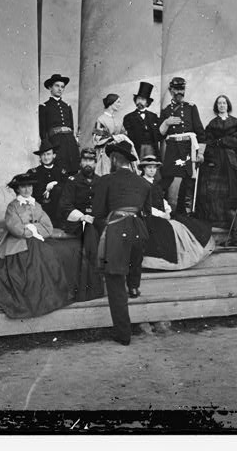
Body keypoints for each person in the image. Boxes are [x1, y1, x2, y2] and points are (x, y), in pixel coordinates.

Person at [0, 172, 73, 318]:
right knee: (23, 264)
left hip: (37, 239)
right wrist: (29, 230)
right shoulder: (13, 207)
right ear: (18, 189)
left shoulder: (37, 205)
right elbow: (14, 227)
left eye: (29, 186)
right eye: (23, 187)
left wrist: (33, 229)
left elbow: (47, 227)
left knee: (52, 255)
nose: (27, 190)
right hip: (17, 241)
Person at [92, 141, 152, 345]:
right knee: (133, 263)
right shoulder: (144, 183)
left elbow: (99, 213)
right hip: (139, 230)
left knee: (115, 281)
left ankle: (123, 334)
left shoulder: (105, 181)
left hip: (117, 230)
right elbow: (148, 213)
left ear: (116, 160)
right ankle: (134, 286)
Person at [139, 156, 214, 270]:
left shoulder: (156, 183)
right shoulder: (141, 183)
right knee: (166, 231)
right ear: (143, 169)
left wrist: (168, 210)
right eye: (149, 168)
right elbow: (144, 204)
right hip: (150, 215)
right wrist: (161, 215)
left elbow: (162, 199)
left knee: (188, 224)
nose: (152, 170)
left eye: (154, 168)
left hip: (163, 213)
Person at [197, 95, 237, 247]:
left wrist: (222, 141)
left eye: (224, 103)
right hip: (216, 161)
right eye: (219, 103)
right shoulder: (212, 124)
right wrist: (216, 145)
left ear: (228, 105)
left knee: (233, 193)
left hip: (234, 160)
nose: (222, 105)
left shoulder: (235, 122)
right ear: (217, 106)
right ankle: (220, 224)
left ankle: (236, 233)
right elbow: (208, 142)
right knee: (216, 192)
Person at [59, 147, 105, 301]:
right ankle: (91, 288)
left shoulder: (101, 181)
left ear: (95, 163)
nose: (88, 164)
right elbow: (65, 206)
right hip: (78, 222)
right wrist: (82, 217)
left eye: (91, 161)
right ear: (80, 162)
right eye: (85, 160)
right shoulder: (73, 181)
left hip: (97, 221)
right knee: (90, 235)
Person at [159, 77, 206, 216]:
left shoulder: (191, 108)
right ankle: (162, 208)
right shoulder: (166, 111)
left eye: (182, 89)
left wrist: (200, 153)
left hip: (188, 147)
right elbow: (160, 135)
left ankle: (183, 213)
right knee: (167, 178)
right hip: (173, 148)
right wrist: (167, 123)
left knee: (188, 179)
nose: (180, 92)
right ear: (170, 90)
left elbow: (200, 132)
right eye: (177, 89)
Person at [38, 73, 80, 174]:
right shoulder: (44, 106)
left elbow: (71, 128)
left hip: (70, 142)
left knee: (73, 168)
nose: (60, 89)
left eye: (62, 87)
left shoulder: (67, 106)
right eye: (57, 86)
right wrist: (48, 148)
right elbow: (43, 131)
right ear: (50, 88)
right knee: (59, 170)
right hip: (56, 143)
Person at [92, 94, 136, 176]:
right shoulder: (101, 119)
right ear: (111, 103)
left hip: (118, 152)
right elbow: (97, 138)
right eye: (118, 102)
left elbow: (124, 134)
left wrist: (121, 137)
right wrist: (113, 138)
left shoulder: (118, 120)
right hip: (106, 152)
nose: (120, 105)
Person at [27, 138, 68, 225]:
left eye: (49, 154)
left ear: (54, 155)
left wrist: (54, 184)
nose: (46, 157)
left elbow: (67, 188)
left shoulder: (61, 172)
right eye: (43, 155)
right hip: (40, 210)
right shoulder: (33, 173)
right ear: (40, 157)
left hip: (57, 212)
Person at [122, 81, 161, 159]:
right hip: (136, 150)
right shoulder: (128, 117)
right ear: (135, 100)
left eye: (143, 99)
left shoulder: (153, 116)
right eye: (138, 99)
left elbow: (158, 134)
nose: (140, 101)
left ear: (147, 103)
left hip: (152, 149)